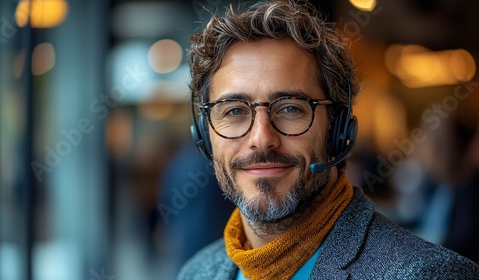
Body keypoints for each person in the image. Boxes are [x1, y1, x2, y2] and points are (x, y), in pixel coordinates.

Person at [179, 1, 479, 279]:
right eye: (234, 111)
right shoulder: (196, 272)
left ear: (339, 129)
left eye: (290, 108)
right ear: (205, 136)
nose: (261, 139)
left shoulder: (429, 273)